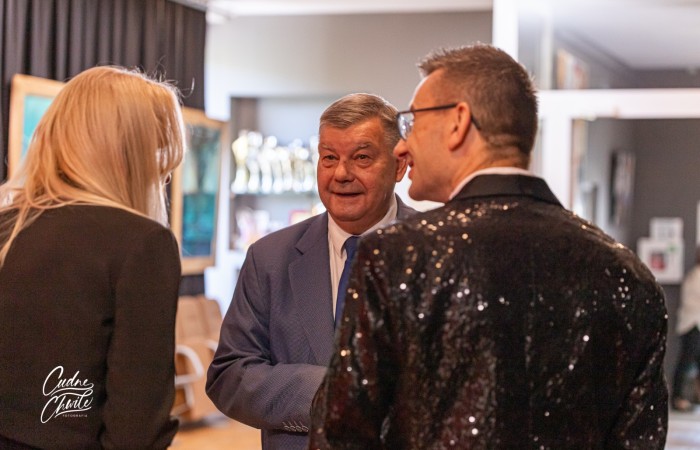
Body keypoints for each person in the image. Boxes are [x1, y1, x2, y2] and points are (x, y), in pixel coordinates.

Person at [309, 44, 668, 449]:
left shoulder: (397, 256)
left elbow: (339, 435)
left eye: (412, 122)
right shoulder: (630, 277)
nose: (401, 147)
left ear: (458, 122)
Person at [206, 93, 415, 450]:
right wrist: (331, 392)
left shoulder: (441, 251)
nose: (341, 174)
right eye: (329, 158)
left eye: (361, 158)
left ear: (399, 165)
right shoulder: (269, 258)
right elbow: (229, 374)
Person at [0, 66, 185, 449]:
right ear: (131, 151)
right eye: (156, 150)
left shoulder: (6, 227)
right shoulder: (142, 243)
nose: (161, 172)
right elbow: (136, 426)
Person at [672, 246, 700, 411]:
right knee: (686, 362)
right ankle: (678, 398)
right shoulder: (696, 277)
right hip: (692, 325)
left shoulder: (693, 276)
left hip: (692, 324)